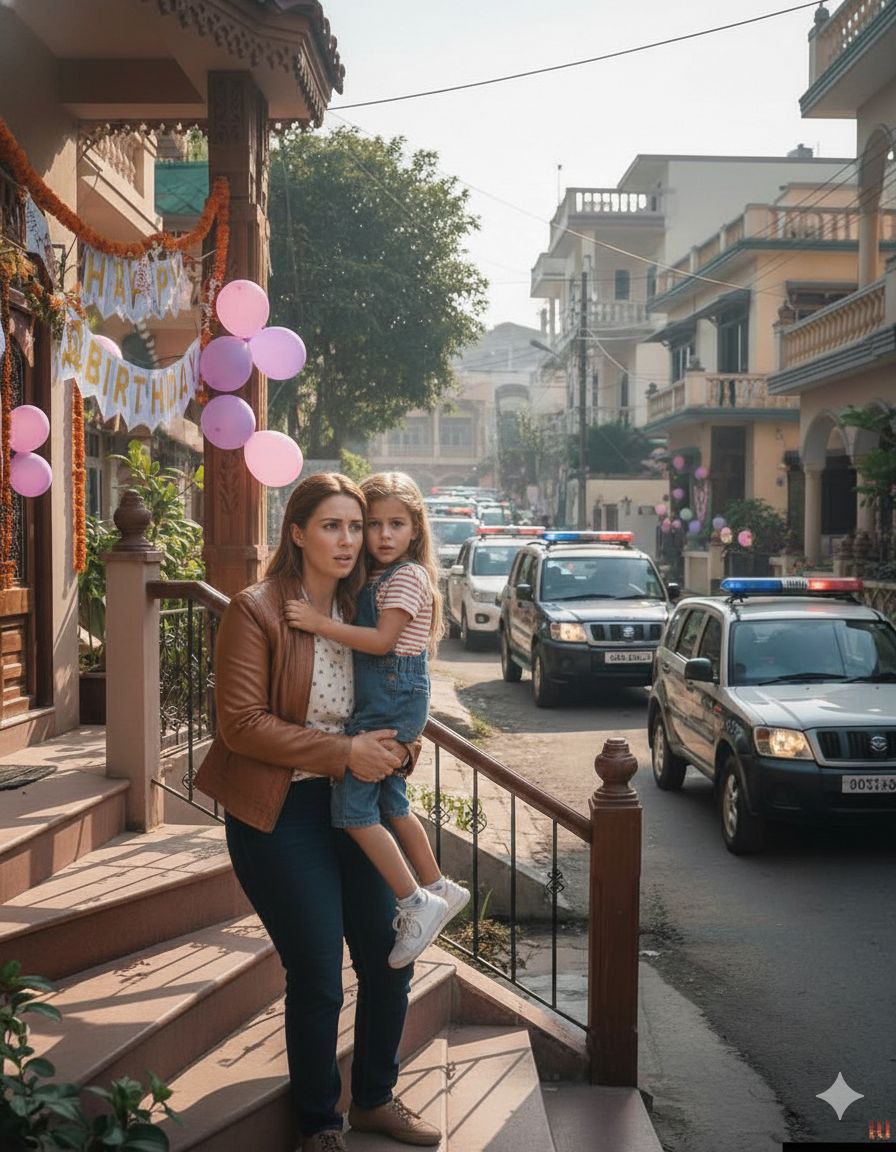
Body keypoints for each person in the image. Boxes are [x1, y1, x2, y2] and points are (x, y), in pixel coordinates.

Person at [194, 473, 440, 1152]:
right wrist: (346, 753)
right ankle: (319, 1123)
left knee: (390, 958)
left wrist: (398, 751)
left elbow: (401, 698)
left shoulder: (373, 603)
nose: (349, 540)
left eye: (356, 527)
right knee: (318, 974)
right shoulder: (259, 609)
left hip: (355, 802)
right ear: (297, 533)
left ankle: (375, 1099)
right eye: (332, 526)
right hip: (282, 810)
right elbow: (241, 724)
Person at [286, 472, 470, 970]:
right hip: (388, 698)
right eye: (373, 524)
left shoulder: (408, 577)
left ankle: (415, 902)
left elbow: (384, 642)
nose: (383, 535)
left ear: (416, 530)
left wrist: (320, 623)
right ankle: (438, 885)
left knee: (352, 813)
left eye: (397, 524)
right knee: (391, 802)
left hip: (390, 699)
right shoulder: (377, 578)